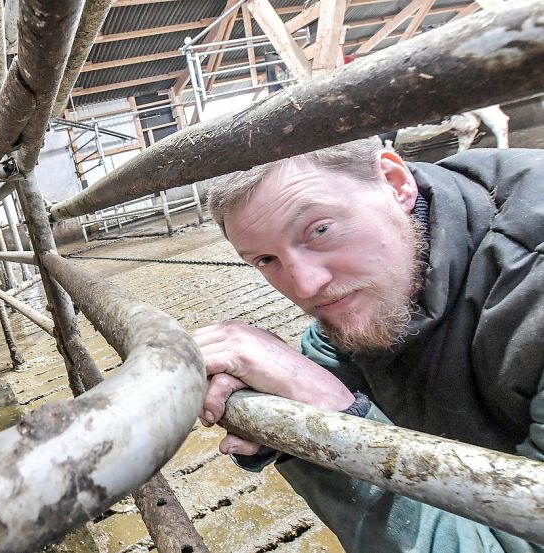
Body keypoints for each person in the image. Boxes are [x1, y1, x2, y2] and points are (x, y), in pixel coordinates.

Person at [194, 138, 543, 552]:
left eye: (320, 230)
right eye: (266, 260)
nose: (306, 286)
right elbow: (317, 374)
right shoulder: (358, 305)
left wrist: (329, 422)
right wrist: (273, 407)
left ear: (396, 182)